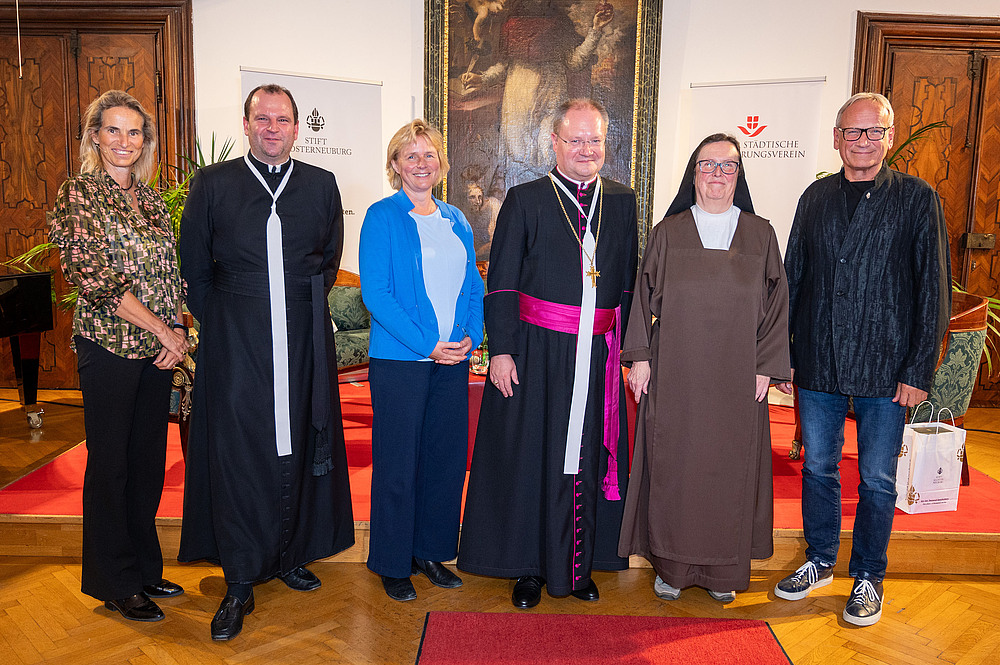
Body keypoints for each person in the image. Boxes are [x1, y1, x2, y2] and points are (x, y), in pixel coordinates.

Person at [178, 84, 355, 640]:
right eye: (262, 119)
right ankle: (239, 577)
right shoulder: (214, 185)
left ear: (297, 129)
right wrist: (232, 321)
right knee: (240, 447)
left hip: (302, 337)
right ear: (247, 124)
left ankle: (291, 551)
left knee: (301, 436)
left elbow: (327, 263)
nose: (272, 128)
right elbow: (195, 268)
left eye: (282, 120)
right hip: (238, 340)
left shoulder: (321, 186)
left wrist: (292, 311)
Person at [774, 92, 951, 626]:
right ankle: (820, 560)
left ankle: (869, 574)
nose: (864, 141)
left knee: (876, 478)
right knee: (820, 469)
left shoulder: (918, 199)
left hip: (887, 366)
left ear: (890, 139)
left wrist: (919, 371)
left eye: (875, 132)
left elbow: (932, 291)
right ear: (837, 138)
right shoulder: (815, 198)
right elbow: (793, 277)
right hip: (819, 360)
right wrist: (783, 353)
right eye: (854, 132)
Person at [458, 98, 637, 608]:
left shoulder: (621, 202)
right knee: (531, 454)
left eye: (595, 140)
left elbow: (625, 286)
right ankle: (529, 567)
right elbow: (503, 283)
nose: (586, 149)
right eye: (575, 140)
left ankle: (577, 566)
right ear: (554, 143)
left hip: (597, 353)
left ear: (607, 144)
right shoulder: (527, 199)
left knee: (583, 454)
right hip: (536, 351)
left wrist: (628, 352)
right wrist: (502, 352)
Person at [618, 134, 790, 603]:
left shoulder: (761, 233)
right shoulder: (669, 232)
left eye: (727, 165)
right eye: (707, 164)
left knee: (728, 471)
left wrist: (766, 366)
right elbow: (641, 298)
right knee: (677, 466)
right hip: (677, 374)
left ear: (739, 174)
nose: (717, 174)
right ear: (693, 173)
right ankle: (671, 568)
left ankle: (722, 574)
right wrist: (639, 357)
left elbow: (778, 308)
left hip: (739, 378)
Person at [48, 90, 188, 622]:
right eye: (113, 130)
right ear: (94, 136)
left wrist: (175, 328)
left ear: (145, 142)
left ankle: (144, 567)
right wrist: (163, 330)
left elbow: (167, 275)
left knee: (148, 464)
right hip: (108, 347)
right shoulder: (79, 194)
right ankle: (114, 581)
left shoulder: (151, 201)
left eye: (134, 132)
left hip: (157, 353)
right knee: (111, 467)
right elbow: (96, 279)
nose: (124, 142)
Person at [359, 120, 484, 602]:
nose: (421, 164)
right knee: (398, 462)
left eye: (429, 155)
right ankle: (392, 561)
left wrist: (468, 338)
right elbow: (378, 295)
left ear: (441, 163)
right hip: (401, 363)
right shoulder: (382, 216)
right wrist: (427, 345)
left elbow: (473, 283)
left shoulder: (457, 218)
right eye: (410, 156)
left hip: (451, 361)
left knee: (445, 461)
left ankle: (431, 551)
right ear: (395, 165)